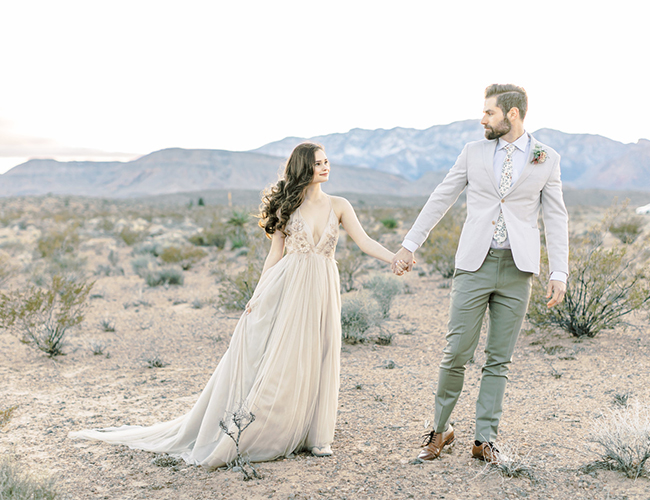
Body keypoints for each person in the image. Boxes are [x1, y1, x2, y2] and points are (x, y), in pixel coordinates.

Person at [69, 142, 396, 466]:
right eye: (318, 163)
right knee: (287, 355)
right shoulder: (287, 207)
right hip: (290, 287)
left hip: (324, 286)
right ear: (303, 169)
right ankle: (275, 428)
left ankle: (316, 435)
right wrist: (258, 295)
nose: (326, 167)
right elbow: (275, 256)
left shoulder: (339, 205)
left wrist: (394, 258)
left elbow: (364, 241)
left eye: (327, 161)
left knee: (322, 353)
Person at [392, 84, 569, 463]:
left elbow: (556, 216)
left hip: (517, 271)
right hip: (474, 265)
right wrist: (410, 244)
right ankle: (439, 431)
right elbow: (442, 196)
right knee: (456, 352)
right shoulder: (473, 152)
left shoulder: (546, 158)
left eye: (489, 112)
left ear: (513, 114)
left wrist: (560, 271)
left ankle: (484, 439)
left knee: (498, 360)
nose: (483, 119)